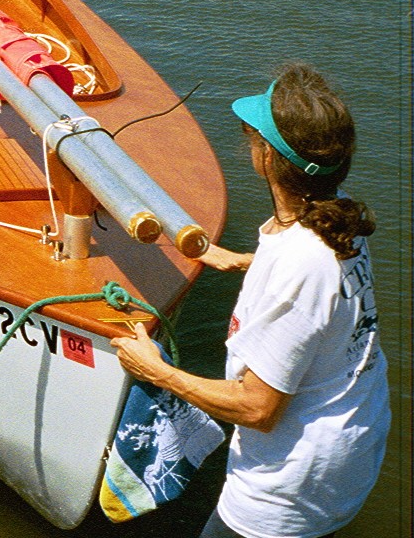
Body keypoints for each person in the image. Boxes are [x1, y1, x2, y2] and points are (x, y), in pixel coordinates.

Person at [111, 62, 391, 538]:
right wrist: (247, 261)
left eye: (253, 137)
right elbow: (318, 296)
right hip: (347, 460)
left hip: (283, 501)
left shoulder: (301, 265)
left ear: (266, 156)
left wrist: (155, 371)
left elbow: (257, 409)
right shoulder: (338, 214)